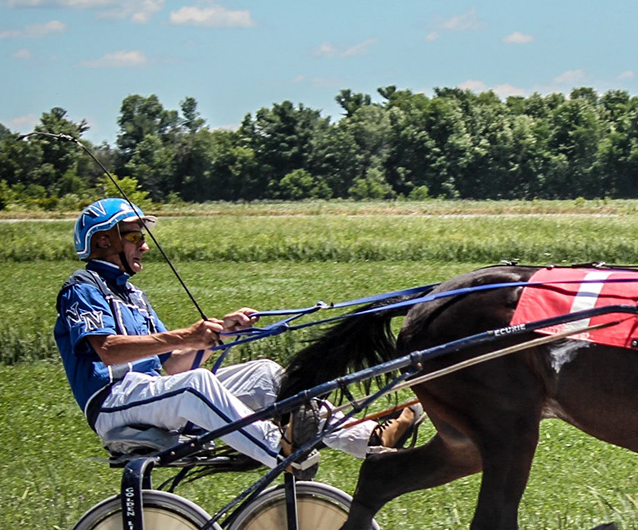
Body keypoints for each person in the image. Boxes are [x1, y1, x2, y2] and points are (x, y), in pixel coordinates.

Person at [54, 197, 416, 468]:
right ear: (103, 241)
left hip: (150, 394)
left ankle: (368, 438)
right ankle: (281, 450)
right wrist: (188, 335)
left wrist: (220, 335)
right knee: (196, 384)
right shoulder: (82, 287)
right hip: (112, 403)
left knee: (265, 374)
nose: (144, 246)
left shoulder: (134, 296)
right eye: (134, 236)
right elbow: (107, 349)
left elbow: (174, 365)